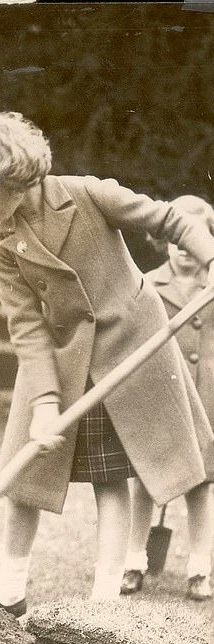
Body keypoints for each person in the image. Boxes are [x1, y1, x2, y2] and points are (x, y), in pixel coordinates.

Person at [0, 112, 214, 617]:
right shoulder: (0, 240)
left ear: (6, 172)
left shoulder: (87, 194)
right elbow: (25, 325)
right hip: (60, 352)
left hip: (127, 343)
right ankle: (9, 592)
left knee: (110, 476)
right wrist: (44, 401)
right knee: (24, 472)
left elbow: (169, 219)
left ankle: (104, 601)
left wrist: (210, 255)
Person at [122, 195, 214, 601]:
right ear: (165, 242)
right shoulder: (148, 284)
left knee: (201, 484)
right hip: (163, 396)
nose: (185, 253)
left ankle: (199, 569)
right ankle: (133, 561)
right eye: (177, 244)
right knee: (145, 480)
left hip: (207, 396)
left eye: (194, 244)